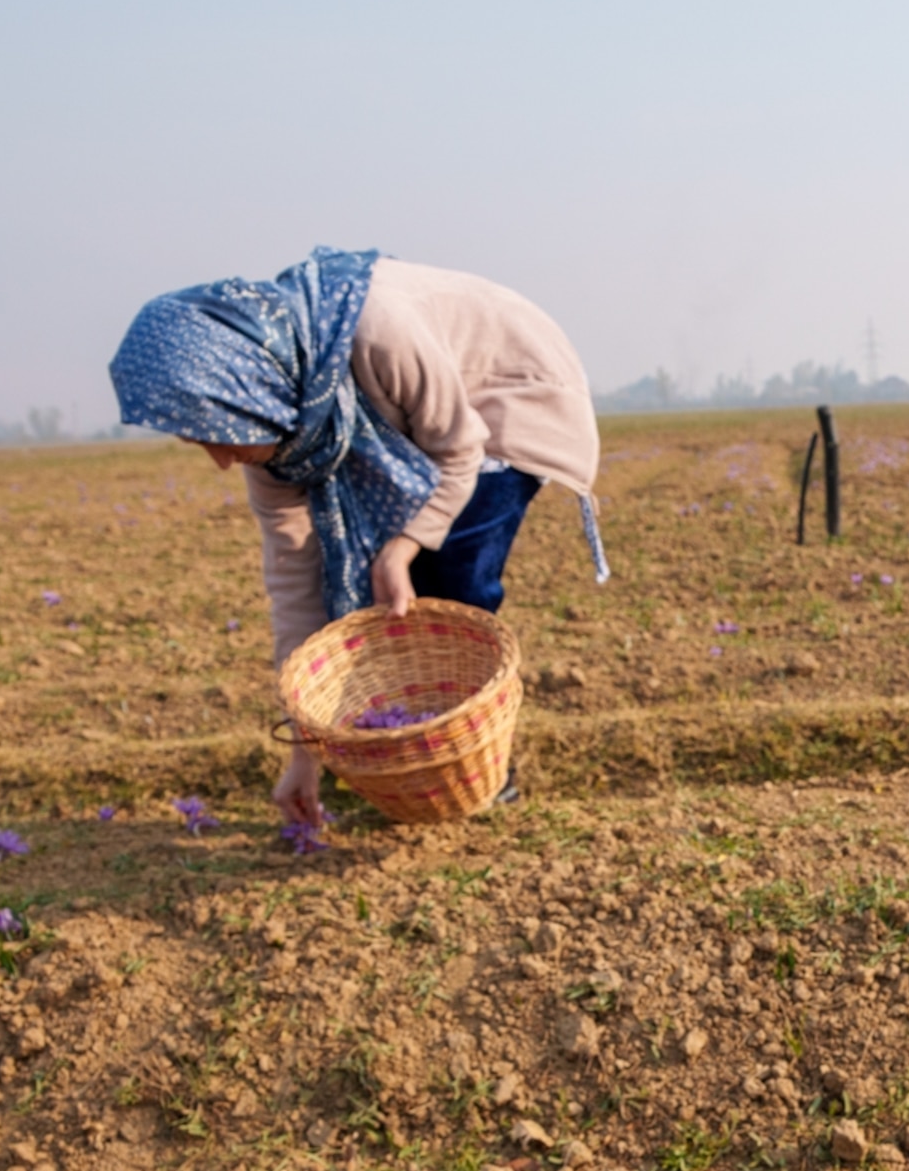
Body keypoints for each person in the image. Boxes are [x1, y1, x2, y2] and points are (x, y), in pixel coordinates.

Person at [107, 246, 602, 827]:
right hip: (415, 425)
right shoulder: (277, 440)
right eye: (201, 443)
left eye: (219, 433)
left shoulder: (378, 333)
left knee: (445, 580)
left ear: (249, 389)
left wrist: (405, 543)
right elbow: (297, 588)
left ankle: (478, 772)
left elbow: (460, 446)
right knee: (377, 597)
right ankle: (402, 756)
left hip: (508, 392)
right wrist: (303, 755)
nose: (221, 459)